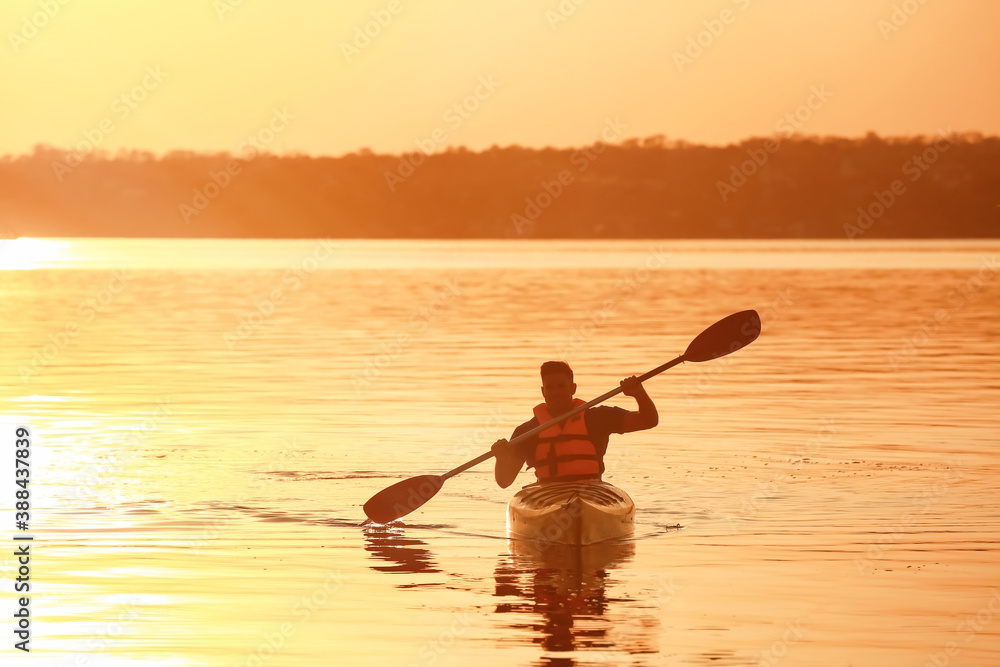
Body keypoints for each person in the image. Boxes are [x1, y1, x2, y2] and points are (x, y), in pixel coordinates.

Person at [491, 361, 658, 488]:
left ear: (573, 388)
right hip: (547, 494)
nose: (556, 392)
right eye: (550, 387)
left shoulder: (599, 417)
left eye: (561, 386)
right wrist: (500, 457)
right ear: (543, 392)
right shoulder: (527, 431)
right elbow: (504, 481)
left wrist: (639, 394)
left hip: (592, 492)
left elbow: (648, 420)